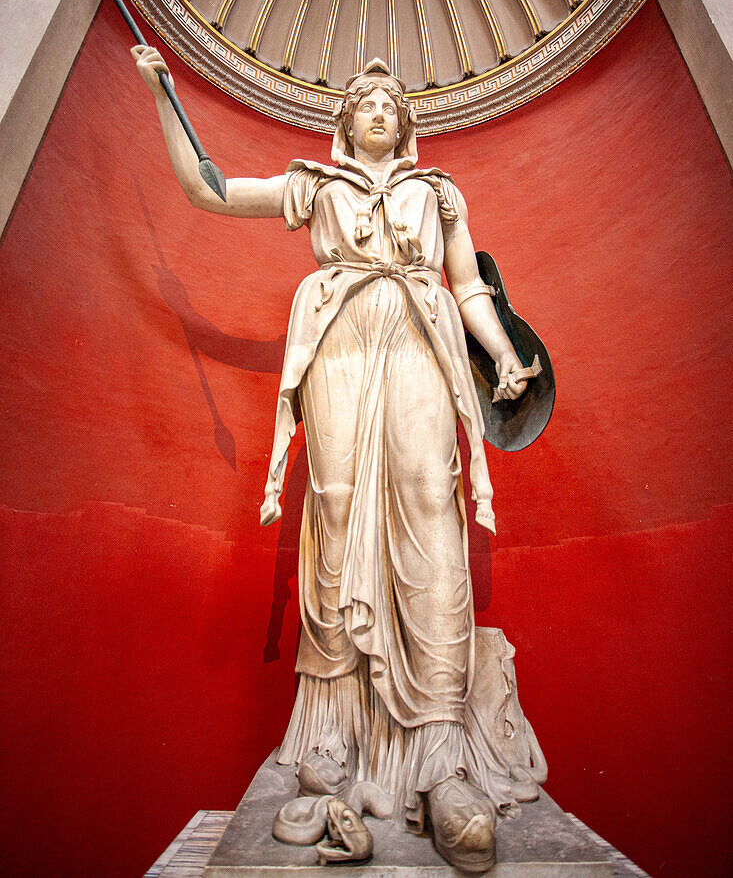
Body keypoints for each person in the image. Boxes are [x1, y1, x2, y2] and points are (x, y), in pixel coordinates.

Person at [133, 47, 530, 873]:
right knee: (338, 506)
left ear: (406, 124)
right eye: (366, 100)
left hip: (421, 340)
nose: (380, 107)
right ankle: (327, 744)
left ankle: (441, 755)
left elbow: (466, 288)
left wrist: (500, 353)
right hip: (342, 343)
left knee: (431, 505)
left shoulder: (438, 192)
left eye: (391, 100)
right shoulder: (315, 184)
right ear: (345, 122)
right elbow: (208, 189)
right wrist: (163, 93)